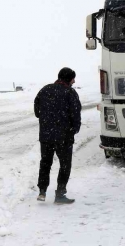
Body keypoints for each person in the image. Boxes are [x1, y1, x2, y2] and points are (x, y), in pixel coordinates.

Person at [34, 67, 82, 204]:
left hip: (46, 136)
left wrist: (47, 121)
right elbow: (76, 114)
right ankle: (60, 194)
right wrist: (74, 129)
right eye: (73, 78)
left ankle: (42, 191)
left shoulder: (44, 90)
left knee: (45, 163)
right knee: (65, 165)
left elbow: (37, 111)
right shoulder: (70, 93)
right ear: (69, 79)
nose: (74, 81)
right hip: (64, 137)